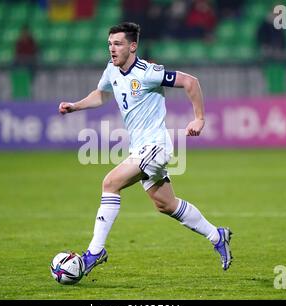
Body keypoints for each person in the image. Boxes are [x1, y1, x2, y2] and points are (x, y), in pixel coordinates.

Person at [58, 22, 233, 276]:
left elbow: (190, 82)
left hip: (156, 146)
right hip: (139, 148)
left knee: (110, 183)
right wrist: (75, 106)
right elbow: (102, 94)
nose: (112, 49)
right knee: (166, 204)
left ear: (132, 46)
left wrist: (199, 118)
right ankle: (217, 236)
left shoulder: (148, 72)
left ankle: (94, 252)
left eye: (117, 44)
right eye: (109, 44)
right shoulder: (112, 70)